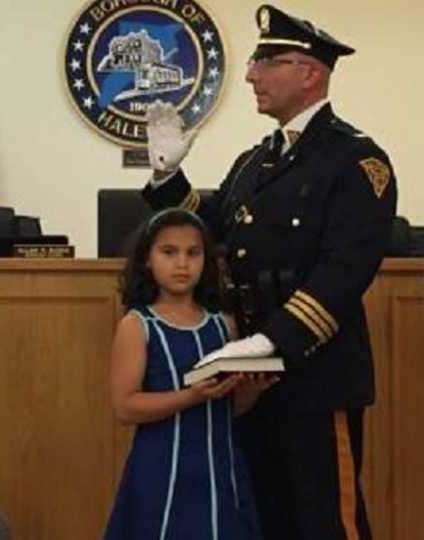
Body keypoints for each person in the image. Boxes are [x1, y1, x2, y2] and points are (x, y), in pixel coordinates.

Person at [142, 5, 397, 539]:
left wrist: (270, 342)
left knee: (326, 521)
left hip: (314, 377)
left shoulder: (356, 161)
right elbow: (207, 234)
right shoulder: (256, 161)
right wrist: (168, 176)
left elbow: (343, 273)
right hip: (251, 379)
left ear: (309, 72)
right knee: (265, 519)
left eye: (266, 60)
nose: (252, 74)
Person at [103, 208, 276, 540]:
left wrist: (251, 391)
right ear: (147, 260)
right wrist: (191, 395)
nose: (182, 263)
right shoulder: (138, 325)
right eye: (169, 252)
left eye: (193, 253)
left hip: (221, 468)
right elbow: (125, 407)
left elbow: (230, 407)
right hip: (162, 469)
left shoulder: (223, 323)